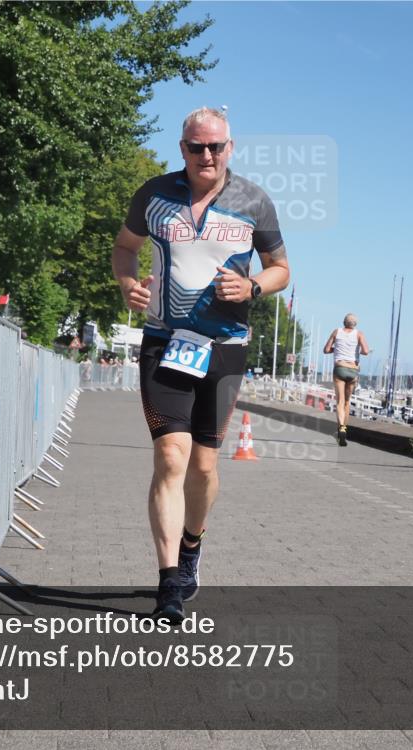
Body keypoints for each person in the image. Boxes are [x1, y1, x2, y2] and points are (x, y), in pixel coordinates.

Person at [112, 107, 290, 622]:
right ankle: (168, 583)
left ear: (230, 147)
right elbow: (125, 249)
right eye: (196, 147)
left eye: (215, 147)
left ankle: (192, 544)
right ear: (182, 148)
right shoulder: (154, 194)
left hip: (225, 346)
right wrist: (127, 284)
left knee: (204, 466)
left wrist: (254, 285)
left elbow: (281, 269)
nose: (206, 156)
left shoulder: (254, 201)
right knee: (171, 457)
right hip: (165, 340)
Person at [322, 314, 369, 446]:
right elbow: (365, 351)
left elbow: (326, 350)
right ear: (355, 324)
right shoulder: (359, 334)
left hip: (340, 368)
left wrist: (336, 349)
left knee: (340, 402)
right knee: (347, 402)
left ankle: (340, 428)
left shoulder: (337, 332)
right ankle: (345, 429)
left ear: (344, 322)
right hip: (353, 370)